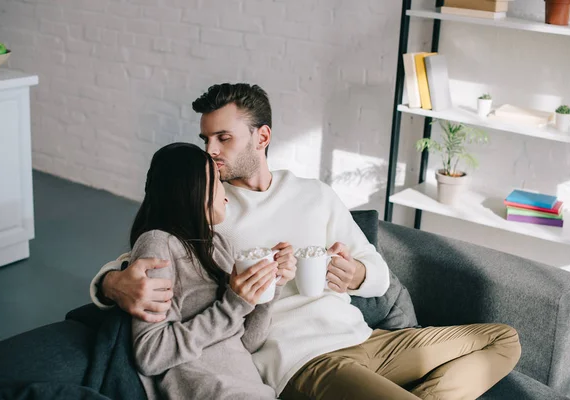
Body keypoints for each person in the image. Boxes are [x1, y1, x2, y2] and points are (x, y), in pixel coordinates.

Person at [91, 83, 521, 399]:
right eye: (206, 138)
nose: (211, 149)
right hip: (304, 361)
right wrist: (111, 283)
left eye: (223, 138)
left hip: (365, 340)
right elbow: (148, 251)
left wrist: (356, 275)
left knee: (504, 340)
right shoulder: (208, 207)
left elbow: (378, 273)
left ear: (262, 137)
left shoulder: (313, 194)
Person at [127, 142, 277, 399]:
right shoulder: (158, 244)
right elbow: (151, 354)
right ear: (193, 188)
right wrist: (233, 306)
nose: (226, 195)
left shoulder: (217, 245)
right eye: (218, 181)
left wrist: (266, 291)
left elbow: (246, 343)